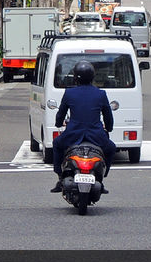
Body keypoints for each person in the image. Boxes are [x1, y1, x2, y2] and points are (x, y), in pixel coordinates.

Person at [50, 60, 116, 194]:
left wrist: (58, 124)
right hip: (96, 135)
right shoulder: (100, 94)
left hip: (73, 134)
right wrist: (108, 128)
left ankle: (59, 176)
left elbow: (61, 114)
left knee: (57, 144)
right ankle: (102, 178)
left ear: (75, 77)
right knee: (111, 148)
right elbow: (108, 116)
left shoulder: (69, 93)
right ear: (92, 77)